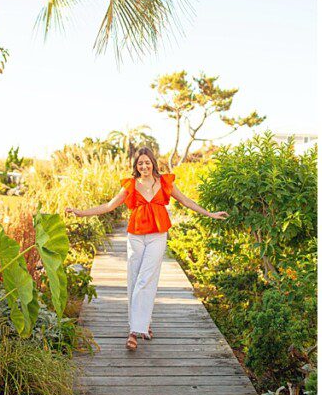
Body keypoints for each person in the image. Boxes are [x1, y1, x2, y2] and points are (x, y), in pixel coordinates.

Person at [65, 147, 227, 351]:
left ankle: (134, 331)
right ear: (136, 166)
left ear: (153, 163)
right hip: (135, 236)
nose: (144, 166)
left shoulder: (165, 182)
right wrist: (81, 213)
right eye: (140, 163)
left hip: (157, 236)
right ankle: (142, 324)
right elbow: (109, 206)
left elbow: (186, 201)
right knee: (135, 278)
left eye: (147, 162)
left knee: (146, 278)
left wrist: (210, 214)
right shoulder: (131, 185)